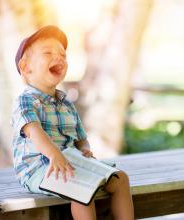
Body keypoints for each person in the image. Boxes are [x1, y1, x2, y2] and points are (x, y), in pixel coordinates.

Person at [11, 25, 134, 220]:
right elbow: (34, 132)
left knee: (120, 179)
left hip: (71, 163)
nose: (59, 57)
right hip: (38, 169)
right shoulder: (25, 101)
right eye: (47, 52)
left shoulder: (66, 103)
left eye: (63, 54)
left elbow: (80, 138)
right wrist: (54, 155)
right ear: (26, 67)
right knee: (81, 188)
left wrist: (84, 149)